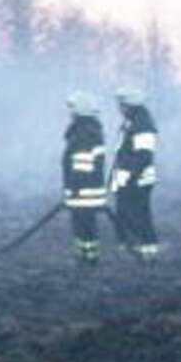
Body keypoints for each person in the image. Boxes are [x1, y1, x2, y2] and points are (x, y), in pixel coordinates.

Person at [110, 87, 161, 261]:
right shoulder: (131, 122)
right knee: (127, 215)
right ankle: (137, 250)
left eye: (122, 105)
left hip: (137, 181)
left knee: (138, 215)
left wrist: (131, 178)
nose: (119, 108)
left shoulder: (143, 125)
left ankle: (148, 251)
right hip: (128, 180)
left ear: (131, 105)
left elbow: (144, 156)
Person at [61, 91, 109, 266]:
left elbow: (81, 164)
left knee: (84, 225)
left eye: (72, 109)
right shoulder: (88, 130)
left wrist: (74, 188)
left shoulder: (84, 132)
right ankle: (85, 256)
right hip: (84, 190)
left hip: (84, 191)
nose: (70, 112)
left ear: (80, 110)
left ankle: (89, 258)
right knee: (82, 225)